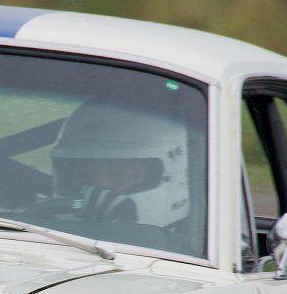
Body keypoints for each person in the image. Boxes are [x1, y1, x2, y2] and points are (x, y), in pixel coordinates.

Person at [49, 99, 193, 232]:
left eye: (118, 175)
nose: (101, 187)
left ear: (173, 175)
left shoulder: (189, 248)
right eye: (86, 176)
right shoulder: (42, 229)